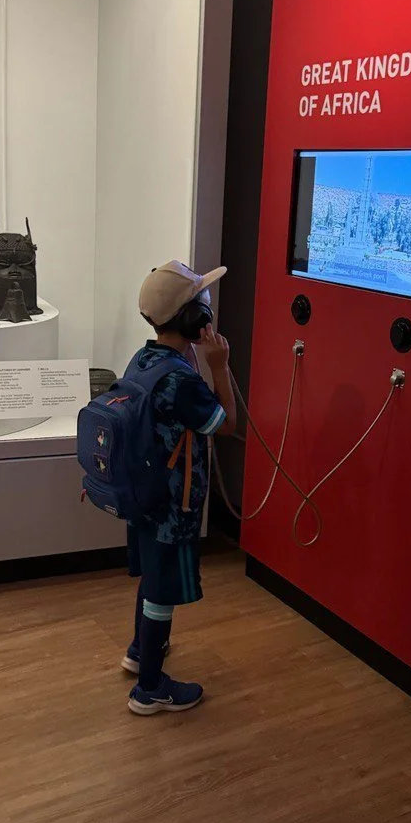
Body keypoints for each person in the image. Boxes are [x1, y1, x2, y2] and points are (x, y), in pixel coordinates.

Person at [124, 260, 236, 715]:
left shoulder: (146, 360)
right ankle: (150, 689)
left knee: (153, 579)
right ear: (194, 319)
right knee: (164, 591)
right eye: (202, 303)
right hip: (175, 505)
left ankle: (140, 652)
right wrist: (219, 366)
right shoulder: (182, 381)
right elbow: (226, 425)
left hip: (145, 497)